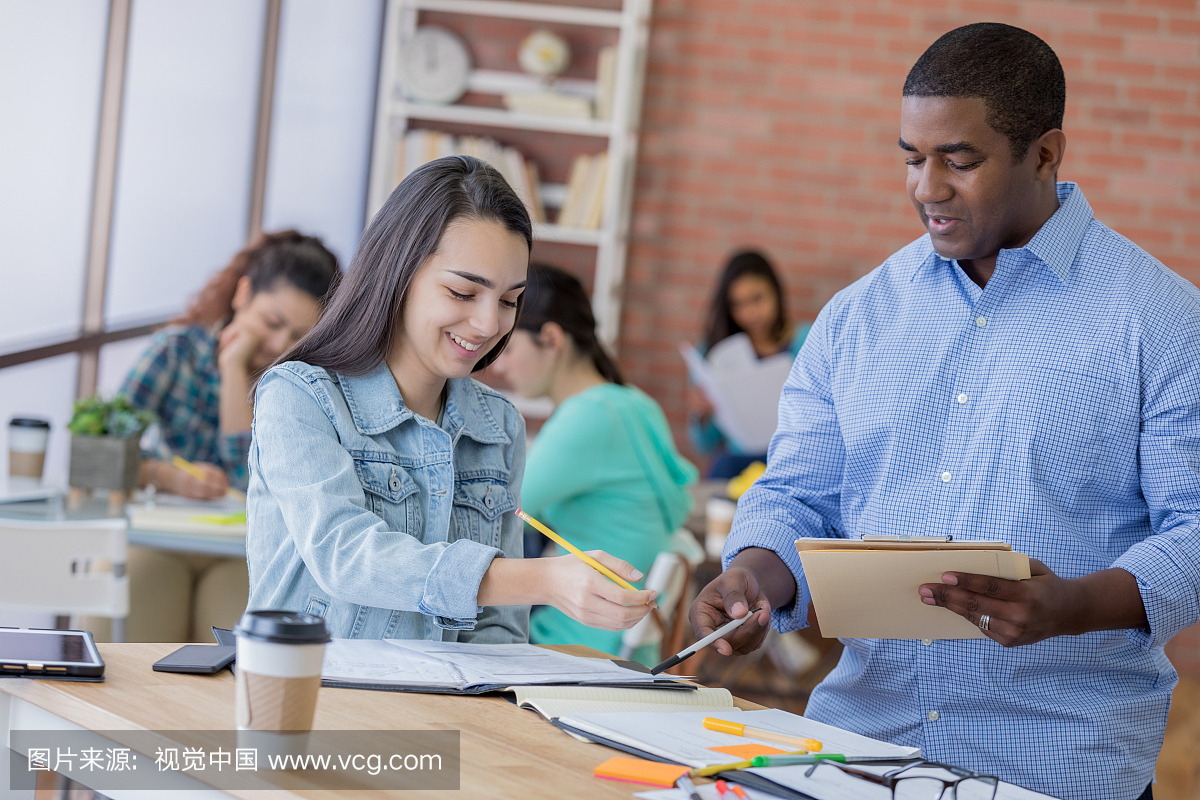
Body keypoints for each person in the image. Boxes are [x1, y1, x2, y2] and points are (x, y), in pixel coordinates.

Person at [688, 23, 1198, 800]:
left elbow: (1195, 530)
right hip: (863, 749)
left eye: (959, 161)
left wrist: (1073, 605)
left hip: (1059, 768)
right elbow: (796, 494)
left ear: (1046, 154)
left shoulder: (1161, 322)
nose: (927, 187)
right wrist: (756, 577)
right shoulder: (857, 317)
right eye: (911, 158)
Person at [246, 156, 657, 642]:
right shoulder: (299, 396)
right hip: (319, 700)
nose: (489, 325)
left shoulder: (498, 424)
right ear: (398, 274)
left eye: (509, 301)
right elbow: (347, 557)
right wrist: (542, 580)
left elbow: (499, 631)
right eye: (464, 293)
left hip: (445, 710)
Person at [107, 231, 341, 643]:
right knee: (135, 606)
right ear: (243, 293)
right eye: (272, 323)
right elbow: (105, 449)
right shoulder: (176, 352)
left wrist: (235, 373)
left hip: (244, 552)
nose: (278, 345)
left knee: (234, 645)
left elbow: (246, 480)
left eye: (298, 336)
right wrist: (168, 476)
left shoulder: (301, 387)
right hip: (163, 537)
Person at [491, 263, 697, 664]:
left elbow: (496, 508)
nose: (498, 365)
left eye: (509, 348)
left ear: (551, 339)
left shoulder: (589, 416)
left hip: (575, 643)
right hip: (627, 645)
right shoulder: (633, 402)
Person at [686, 250, 809, 478]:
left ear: (776, 293)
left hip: (793, 459)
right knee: (723, 467)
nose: (749, 313)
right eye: (738, 304)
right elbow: (703, 446)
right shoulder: (714, 352)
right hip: (738, 462)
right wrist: (701, 415)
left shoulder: (807, 342)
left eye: (757, 298)